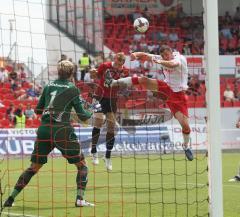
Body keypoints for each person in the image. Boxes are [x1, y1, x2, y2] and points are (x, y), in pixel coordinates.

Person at [3, 60, 94, 208]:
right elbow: (83, 116)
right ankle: (80, 199)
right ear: (71, 73)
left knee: (33, 168)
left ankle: (10, 199)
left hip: (44, 129)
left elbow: (38, 110)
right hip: (62, 131)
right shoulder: (73, 89)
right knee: (82, 166)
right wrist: (91, 110)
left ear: (58, 72)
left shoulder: (48, 86)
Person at [104, 45, 193, 161]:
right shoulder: (161, 58)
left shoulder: (179, 58)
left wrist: (160, 61)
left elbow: (173, 65)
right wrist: (135, 55)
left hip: (179, 95)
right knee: (143, 80)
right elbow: (145, 55)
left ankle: (186, 146)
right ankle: (113, 82)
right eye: (163, 56)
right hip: (166, 88)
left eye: (167, 55)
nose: (166, 57)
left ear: (171, 52)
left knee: (186, 127)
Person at [89, 52, 129, 171]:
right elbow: (95, 76)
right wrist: (93, 73)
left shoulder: (125, 71)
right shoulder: (104, 66)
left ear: (123, 63)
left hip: (112, 100)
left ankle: (107, 157)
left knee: (111, 127)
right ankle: (94, 151)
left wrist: (119, 83)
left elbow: (123, 87)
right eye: (116, 62)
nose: (117, 65)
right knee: (99, 120)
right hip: (99, 97)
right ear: (114, 59)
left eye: (119, 63)